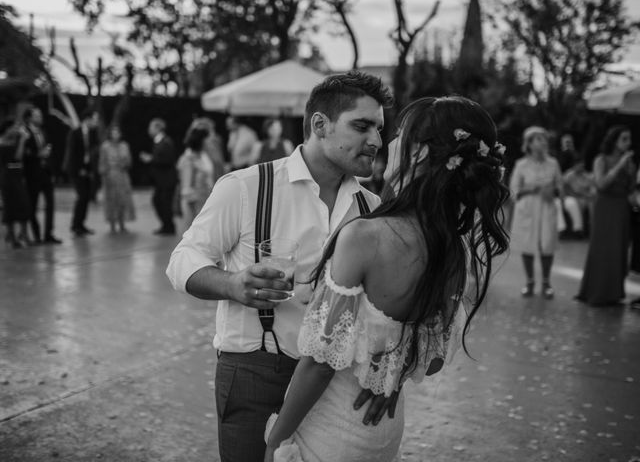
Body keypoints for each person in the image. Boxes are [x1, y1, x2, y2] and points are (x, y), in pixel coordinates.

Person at [263, 96, 510, 462]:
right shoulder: (454, 250)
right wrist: (386, 373)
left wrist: (275, 440)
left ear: (420, 155)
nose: (386, 143)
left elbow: (319, 364)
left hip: (331, 430)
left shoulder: (365, 237)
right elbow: (433, 359)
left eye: (399, 136)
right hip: (382, 429)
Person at [166, 71, 393, 462]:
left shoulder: (373, 209)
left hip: (337, 383)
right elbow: (182, 260)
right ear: (319, 124)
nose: (375, 140)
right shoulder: (246, 187)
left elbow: (386, 308)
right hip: (254, 372)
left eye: (378, 128)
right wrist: (232, 283)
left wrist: (386, 371)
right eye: (361, 126)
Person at [577, 125, 635, 307]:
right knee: (603, 248)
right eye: (624, 139)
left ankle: (614, 294)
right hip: (605, 207)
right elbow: (601, 184)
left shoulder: (630, 162)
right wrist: (619, 166)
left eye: (629, 139)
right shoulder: (601, 159)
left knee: (619, 248)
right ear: (614, 140)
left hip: (622, 207)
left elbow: (631, 189)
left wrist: (631, 172)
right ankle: (597, 292)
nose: (628, 143)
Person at [510, 126, 563, 299]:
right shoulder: (521, 165)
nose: (543, 142)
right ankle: (530, 281)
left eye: (545, 139)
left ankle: (546, 282)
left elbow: (560, 187)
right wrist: (532, 188)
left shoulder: (553, 163)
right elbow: (513, 190)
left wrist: (554, 191)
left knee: (546, 244)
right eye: (539, 139)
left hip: (547, 207)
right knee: (528, 243)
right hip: (528, 208)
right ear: (530, 144)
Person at [19, 107, 62, 244]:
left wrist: (52, 170)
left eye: (40, 115)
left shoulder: (43, 131)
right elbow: (23, 154)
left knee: (50, 204)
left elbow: (48, 152)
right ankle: (36, 235)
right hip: (32, 174)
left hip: (46, 173)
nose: (40, 117)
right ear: (29, 118)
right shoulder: (24, 132)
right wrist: (38, 154)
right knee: (32, 206)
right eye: (37, 115)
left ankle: (48, 234)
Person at [63, 109, 100, 237]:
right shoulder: (75, 133)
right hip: (75, 170)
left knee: (86, 197)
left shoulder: (92, 133)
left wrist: (89, 170)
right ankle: (75, 225)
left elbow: (90, 154)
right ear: (88, 119)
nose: (97, 122)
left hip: (86, 170)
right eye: (95, 119)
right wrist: (79, 169)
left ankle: (81, 224)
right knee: (82, 196)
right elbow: (72, 154)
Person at [140, 118, 177, 235]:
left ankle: (168, 227)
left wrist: (151, 159)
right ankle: (166, 225)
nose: (149, 130)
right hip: (161, 180)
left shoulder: (165, 142)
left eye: (151, 127)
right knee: (159, 201)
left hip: (167, 180)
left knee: (164, 203)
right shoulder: (159, 141)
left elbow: (168, 159)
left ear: (157, 128)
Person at [0, 119, 31, 248]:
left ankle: (22, 234)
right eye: (14, 127)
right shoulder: (1, 141)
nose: (17, 130)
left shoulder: (15, 141)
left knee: (24, 204)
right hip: (6, 177)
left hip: (17, 175)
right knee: (9, 207)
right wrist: (23, 140)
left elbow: (19, 159)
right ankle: (12, 236)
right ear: (7, 128)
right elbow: (17, 157)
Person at [98, 125, 135, 233]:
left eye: (117, 132)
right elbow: (102, 162)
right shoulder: (105, 146)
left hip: (122, 176)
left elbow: (129, 161)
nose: (116, 135)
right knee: (111, 200)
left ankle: (122, 223)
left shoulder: (124, 146)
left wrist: (124, 164)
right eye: (113, 132)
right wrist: (104, 175)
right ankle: (112, 224)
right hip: (110, 176)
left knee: (123, 200)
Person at [176, 127, 215, 229]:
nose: (210, 142)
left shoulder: (203, 156)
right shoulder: (189, 160)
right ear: (201, 141)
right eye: (208, 140)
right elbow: (187, 189)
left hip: (204, 200)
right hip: (196, 203)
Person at [561, 159, 596, 238]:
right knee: (573, 203)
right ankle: (578, 230)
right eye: (579, 165)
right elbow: (565, 189)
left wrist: (589, 195)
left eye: (582, 165)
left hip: (585, 197)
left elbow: (592, 188)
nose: (581, 167)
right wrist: (577, 195)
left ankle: (593, 228)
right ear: (574, 166)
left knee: (592, 203)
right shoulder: (569, 175)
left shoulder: (587, 175)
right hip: (571, 197)